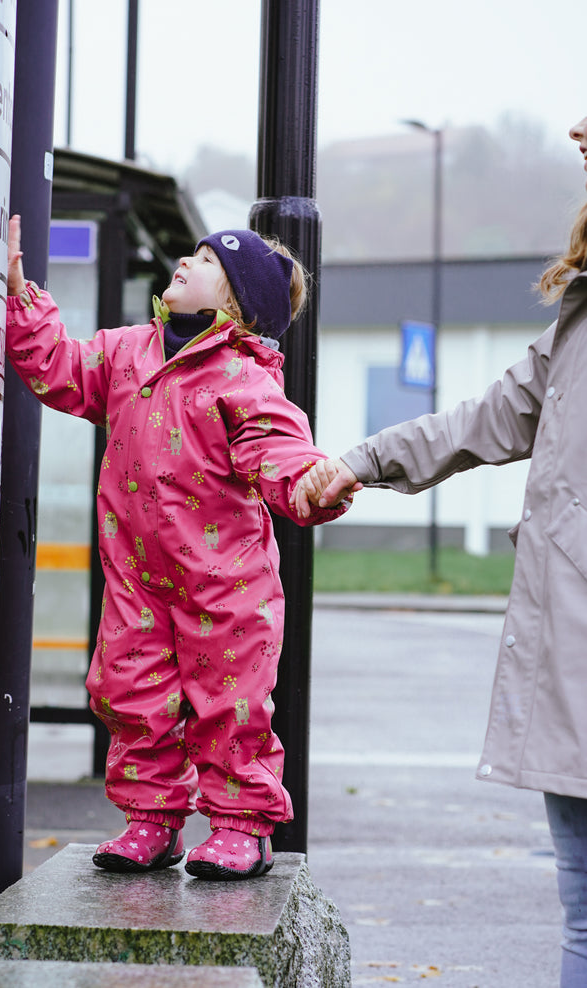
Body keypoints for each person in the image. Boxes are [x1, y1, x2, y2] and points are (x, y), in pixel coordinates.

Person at [294, 113, 587, 985]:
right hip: (574, 662)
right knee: (582, 914)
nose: (576, 136)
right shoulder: (575, 324)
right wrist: (358, 459)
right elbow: (480, 422)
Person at [6, 218, 349, 880]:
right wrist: (23, 299)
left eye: (207, 261)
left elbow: (275, 448)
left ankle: (242, 825)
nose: (186, 263)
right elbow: (59, 367)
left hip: (227, 583)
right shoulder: (128, 353)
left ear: (236, 305)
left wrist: (312, 484)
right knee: (131, 694)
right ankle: (150, 821)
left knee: (231, 704)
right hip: (137, 580)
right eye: (188, 254)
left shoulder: (241, 379)